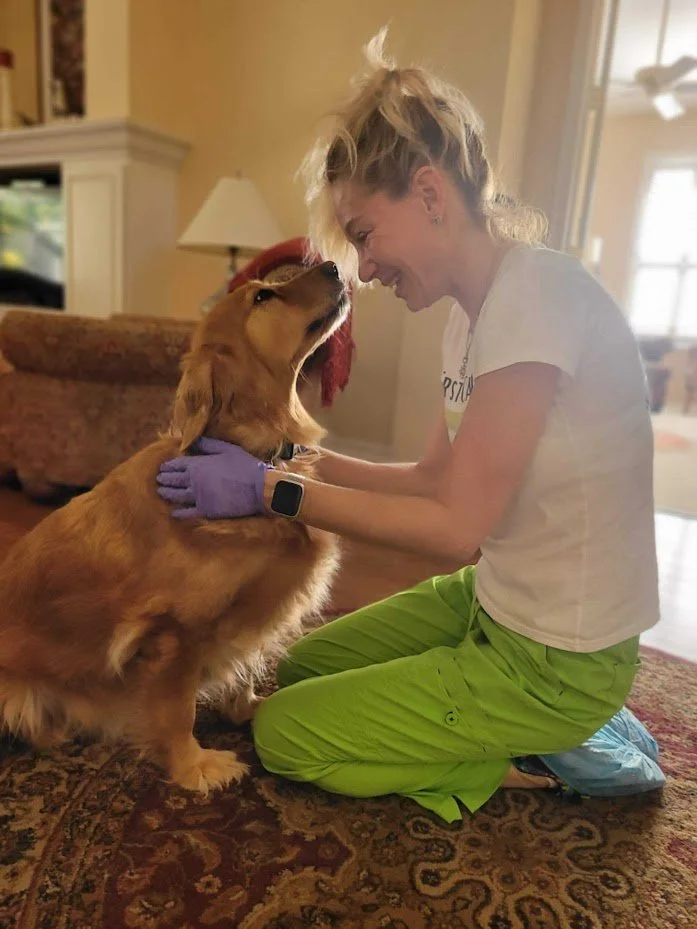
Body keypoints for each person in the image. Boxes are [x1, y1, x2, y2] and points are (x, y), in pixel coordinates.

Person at [156, 30, 660, 822]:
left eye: (361, 235)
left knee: (287, 735)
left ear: (429, 193)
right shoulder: (470, 320)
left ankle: (537, 748)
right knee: (303, 663)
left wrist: (270, 491)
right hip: (496, 603)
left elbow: (456, 524)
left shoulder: (536, 299)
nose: (361, 268)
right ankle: (491, 709)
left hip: (560, 658)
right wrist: (288, 456)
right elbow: (431, 480)